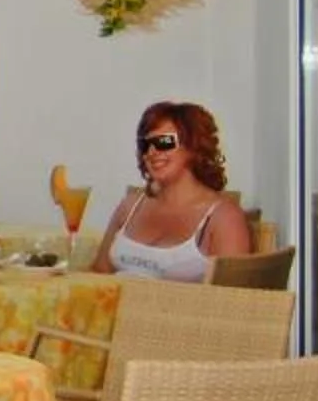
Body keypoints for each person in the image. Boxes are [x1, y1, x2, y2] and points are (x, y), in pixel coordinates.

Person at [89, 101, 255, 281]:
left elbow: (232, 301)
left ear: (193, 147)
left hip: (182, 309)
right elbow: (99, 273)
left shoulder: (223, 217)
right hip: (116, 306)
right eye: (145, 145)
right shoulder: (130, 205)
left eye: (164, 142)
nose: (152, 152)